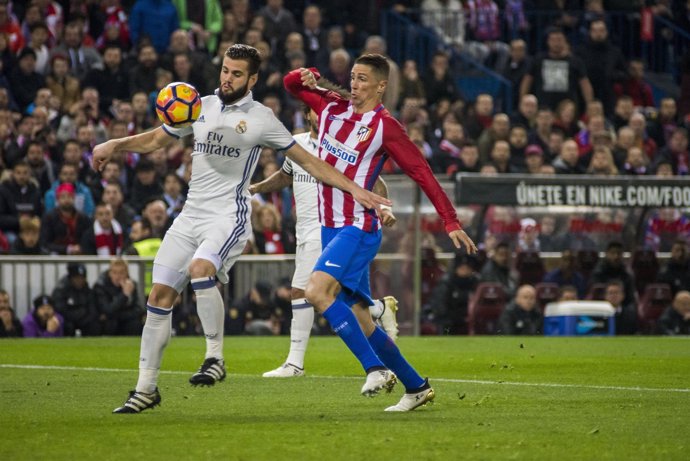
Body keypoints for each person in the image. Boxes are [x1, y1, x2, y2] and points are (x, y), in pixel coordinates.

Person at [92, 44, 390, 414]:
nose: (227, 78)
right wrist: (113, 144)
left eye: (236, 73)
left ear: (252, 79)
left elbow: (309, 164)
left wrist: (357, 190)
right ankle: (145, 388)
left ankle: (215, 357)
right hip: (190, 215)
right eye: (225, 70)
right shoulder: (198, 106)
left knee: (202, 271)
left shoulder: (262, 118)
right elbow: (156, 139)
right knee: (158, 298)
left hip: (227, 214)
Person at [284, 55, 477, 412]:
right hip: (329, 227)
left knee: (315, 290)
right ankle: (416, 386)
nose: (354, 85)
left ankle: (374, 369)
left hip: (358, 226)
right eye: (352, 78)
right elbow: (291, 84)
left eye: (362, 80)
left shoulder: (385, 127)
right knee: (359, 317)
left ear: (381, 86)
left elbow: (422, 172)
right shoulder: (329, 106)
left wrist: (450, 220)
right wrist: (308, 75)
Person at [250, 97, 400, 377]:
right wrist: (258, 186)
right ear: (308, 115)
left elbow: (374, 181)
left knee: (302, 291)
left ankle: (295, 363)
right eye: (318, 112)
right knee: (343, 298)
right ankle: (379, 309)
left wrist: (385, 207)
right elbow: (286, 175)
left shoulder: (344, 146)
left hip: (335, 228)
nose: (325, 116)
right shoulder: (297, 145)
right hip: (305, 230)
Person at [93, 257, 143, 336]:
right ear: (109, 273)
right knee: (110, 323)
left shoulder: (131, 284)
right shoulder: (101, 285)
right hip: (109, 323)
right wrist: (124, 295)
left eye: (121, 273)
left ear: (126, 273)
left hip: (125, 320)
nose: (118, 276)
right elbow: (107, 310)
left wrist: (118, 315)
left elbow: (138, 310)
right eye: (114, 272)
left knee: (135, 323)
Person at [52, 262, 100, 336]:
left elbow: (92, 309)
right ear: (71, 278)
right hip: (68, 320)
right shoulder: (61, 290)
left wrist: (86, 317)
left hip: (84, 319)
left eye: (82, 278)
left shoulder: (86, 289)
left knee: (93, 324)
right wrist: (80, 313)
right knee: (67, 326)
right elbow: (60, 310)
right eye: (77, 278)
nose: (80, 281)